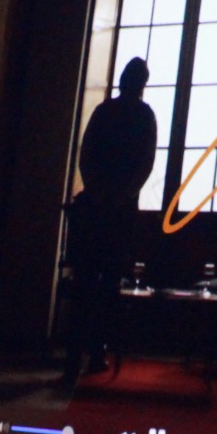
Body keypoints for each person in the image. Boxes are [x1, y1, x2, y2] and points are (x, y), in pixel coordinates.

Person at [64, 57, 156, 382]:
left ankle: (72, 356)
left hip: (94, 208)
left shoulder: (103, 111)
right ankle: (96, 352)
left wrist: (96, 191)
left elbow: (85, 155)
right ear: (142, 83)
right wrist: (123, 195)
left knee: (84, 282)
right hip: (120, 212)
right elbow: (145, 163)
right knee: (109, 284)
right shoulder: (144, 116)